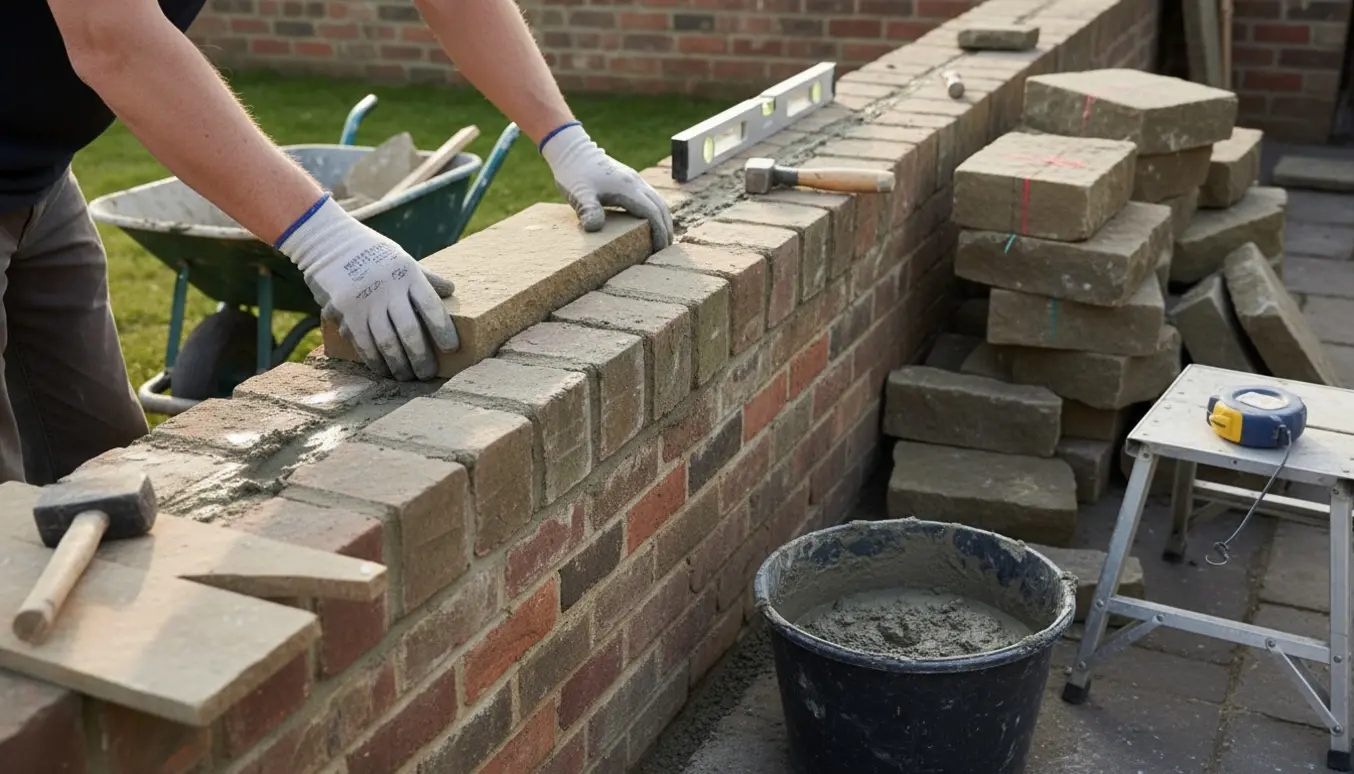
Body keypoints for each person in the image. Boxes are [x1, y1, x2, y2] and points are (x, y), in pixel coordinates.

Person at [1, 0, 675, 486]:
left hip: (36, 177)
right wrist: (321, 238)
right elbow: (112, 38)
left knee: (101, 471)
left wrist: (564, 140)